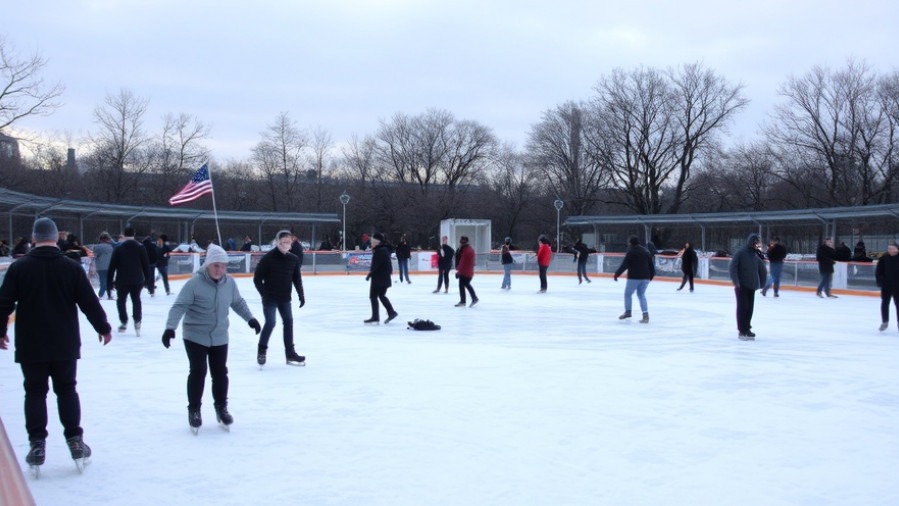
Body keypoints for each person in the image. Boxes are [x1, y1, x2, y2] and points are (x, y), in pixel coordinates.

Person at [0, 217, 113, 473]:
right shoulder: (71, 268)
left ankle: (37, 444)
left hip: (31, 344)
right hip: (64, 343)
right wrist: (103, 327)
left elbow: (3, 302)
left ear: (34, 239)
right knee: (66, 390)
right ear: (56, 238)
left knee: (35, 392)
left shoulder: (19, 268)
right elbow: (89, 302)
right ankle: (75, 441)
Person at [161, 244, 260, 433]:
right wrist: (170, 328)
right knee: (198, 371)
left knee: (220, 372)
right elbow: (179, 306)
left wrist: (251, 319)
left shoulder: (229, 283)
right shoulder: (194, 284)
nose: (220, 269)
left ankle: (221, 408)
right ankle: (194, 410)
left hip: (220, 335)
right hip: (195, 335)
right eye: (216, 265)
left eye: (223, 266)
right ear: (207, 264)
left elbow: (237, 303)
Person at [253, 230, 306, 366]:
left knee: (288, 322)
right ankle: (262, 351)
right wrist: (264, 293)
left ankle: (290, 353)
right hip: (270, 297)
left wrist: (301, 295)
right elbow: (257, 279)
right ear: (278, 242)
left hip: (285, 298)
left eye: (288, 242)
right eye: (283, 242)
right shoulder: (268, 258)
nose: (286, 245)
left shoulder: (293, 259)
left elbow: (297, 279)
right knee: (271, 322)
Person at [107, 227, 151, 335]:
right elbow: (146, 265)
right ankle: (137, 320)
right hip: (137, 280)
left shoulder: (119, 248)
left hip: (122, 280)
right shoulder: (140, 247)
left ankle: (124, 320)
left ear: (124, 234)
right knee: (136, 299)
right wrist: (147, 281)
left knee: (121, 300)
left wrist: (109, 282)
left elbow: (112, 266)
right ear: (134, 234)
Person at [728, 233, 768, 340]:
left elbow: (762, 269)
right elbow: (733, 268)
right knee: (743, 308)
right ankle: (742, 330)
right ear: (751, 242)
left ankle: (747, 328)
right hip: (741, 286)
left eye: (757, 243)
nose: (756, 245)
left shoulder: (755, 255)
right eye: (755, 243)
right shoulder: (741, 253)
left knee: (749, 308)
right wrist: (736, 281)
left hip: (752, 285)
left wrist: (762, 283)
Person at [613, 236, 655, 323]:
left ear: (631, 243)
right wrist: (650, 277)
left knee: (627, 294)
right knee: (641, 295)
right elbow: (651, 266)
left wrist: (617, 274)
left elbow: (624, 265)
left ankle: (628, 312)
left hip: (634, 277)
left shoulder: (631, 252)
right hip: (645, 277)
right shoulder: (646, 252)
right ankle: (645, 315)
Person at [364, 233, 398, 324]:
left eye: (372, 241)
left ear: (376, 242)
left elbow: (376, 266)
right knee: (381, 295)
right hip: (383, 278)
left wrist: (369, 275)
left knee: (374, 296)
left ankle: (377, 316)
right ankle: (391, 312)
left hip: (379, 278)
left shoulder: (380, 251)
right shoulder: (383, 250)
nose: (371, 243)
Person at [875, 241, 899, 332]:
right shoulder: (884, 258)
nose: (890, 250)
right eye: (889, 248)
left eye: (892, 248)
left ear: (897, 249)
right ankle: (885, 321)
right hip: (886, 285)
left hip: (898, 286)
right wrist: (880, 281)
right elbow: (879, 271)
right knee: (885, 303)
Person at [454, 235, 479, 307]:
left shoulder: (465, 250)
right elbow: (472, 262)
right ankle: (466, 300)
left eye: (461, 242)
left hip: (465, 272)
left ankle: (471, 299)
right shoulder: (470, 249)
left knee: (464, 285)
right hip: (468, 271)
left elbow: (463, 262)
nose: (460, 243)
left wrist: (459, 271)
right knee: (464, 284)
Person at [93, 232, 115, 300]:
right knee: (109, 281)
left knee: (102, 280)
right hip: (110, 266)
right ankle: (109, 294)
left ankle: (101, 294)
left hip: (100, 266)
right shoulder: (111, 247)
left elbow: (95, 256)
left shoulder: (97, 247)